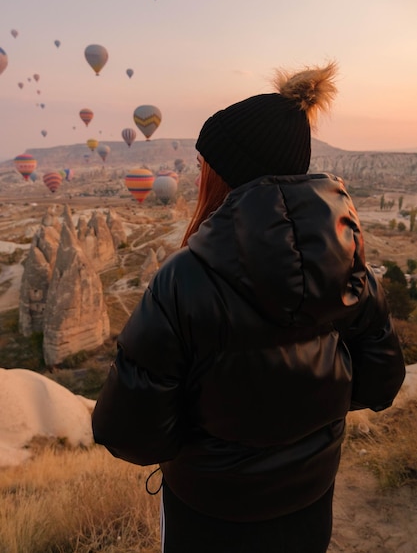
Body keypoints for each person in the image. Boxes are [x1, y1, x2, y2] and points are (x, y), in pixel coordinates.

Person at [92, 61, 405, 553]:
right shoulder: (349, 262)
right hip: (310, 500)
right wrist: (307, 419)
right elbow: (382, 383)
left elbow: (127, 432)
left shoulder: (184, 280)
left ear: (225, 177)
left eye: (203, 168)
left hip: (210, 514)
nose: (197, 179)